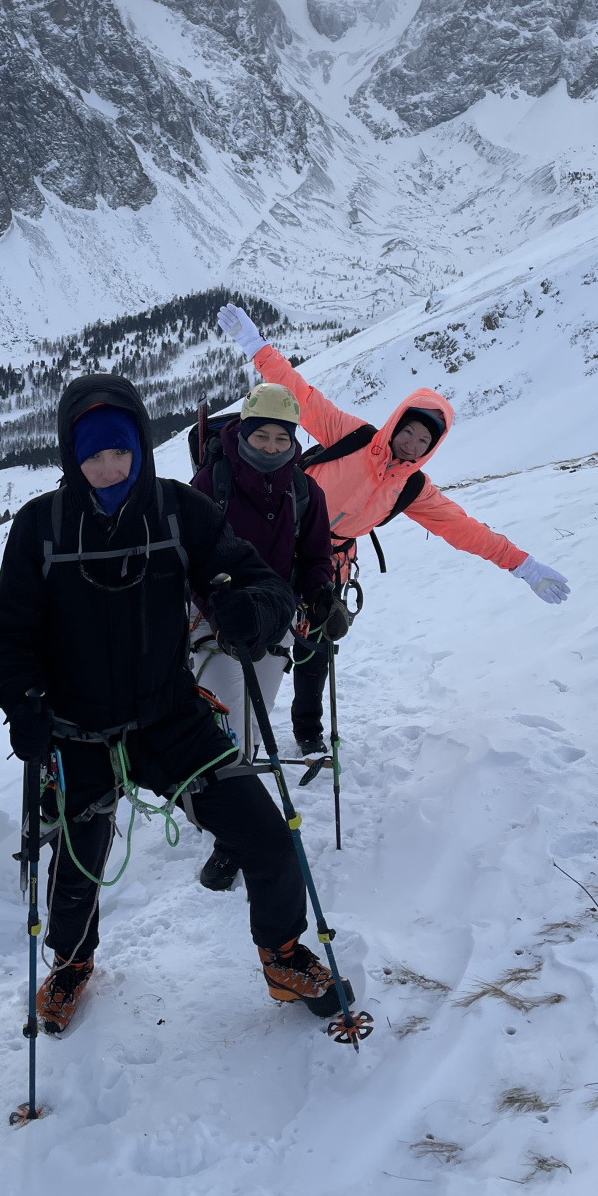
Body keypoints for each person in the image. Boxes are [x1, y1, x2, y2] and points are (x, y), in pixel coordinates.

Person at [0, 374, 356, 1037]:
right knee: (77, 865)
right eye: (91, 455)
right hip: (76, 730)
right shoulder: (39, 526)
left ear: (140, 448)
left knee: (267, 839)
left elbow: (257, 579)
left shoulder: (177, 510)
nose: (106, 467)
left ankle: (282, 955)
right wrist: (24, 705)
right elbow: (12, 630)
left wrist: (255, 612)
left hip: (170, 718)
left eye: (119, 451)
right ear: (71, 455)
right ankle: (71, 964)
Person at [216, 302, 571, 749]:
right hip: (280, 540)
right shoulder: (352, 435)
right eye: (409, 432)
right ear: (395, 423)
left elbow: (464, 529)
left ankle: (308, 734)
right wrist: (256, 347)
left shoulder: (413, 488)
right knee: (248, 631)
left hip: (329, 563)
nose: (412, 443)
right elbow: (299, 395)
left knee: (315, 649)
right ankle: (227, 721)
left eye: (424, 441)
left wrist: (524, 566)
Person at [189, 381, 341, 891]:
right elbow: (189, 559)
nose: (272, 447)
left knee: (250, 730)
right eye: (262, 436)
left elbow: (316, 556)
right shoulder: (212, 483)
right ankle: (235, 841)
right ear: (244, 432)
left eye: (282, 438)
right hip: (216, 627)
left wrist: (322, 596)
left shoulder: (305, 490)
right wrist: (219, 610)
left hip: (272, 626)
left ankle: (231, 828)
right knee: (228, 733)